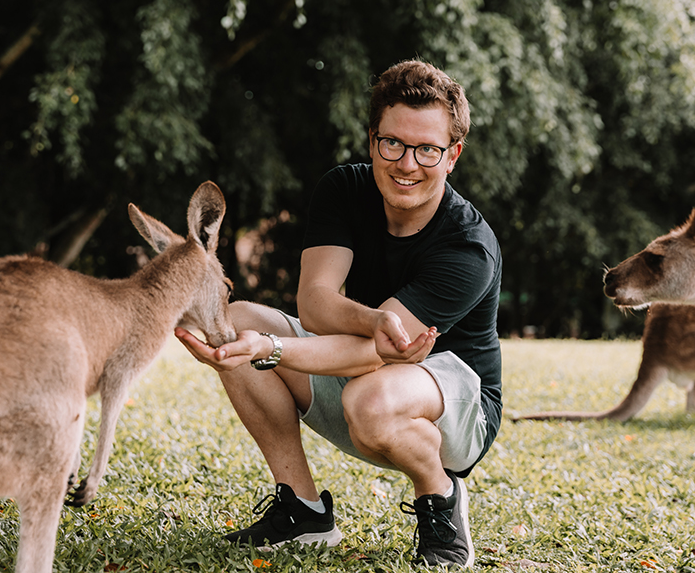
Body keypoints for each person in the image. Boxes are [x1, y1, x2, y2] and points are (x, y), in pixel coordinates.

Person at [175, 58, 502, 568]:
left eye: (427, 150)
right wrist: (370, 320)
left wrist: (275, 349)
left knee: (370, 395)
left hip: (456, 406)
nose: (407, 163)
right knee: (238, 320)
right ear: (373, 138)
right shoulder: (344, 189)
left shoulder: (468, 246)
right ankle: (303, 512)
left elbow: (373, 356)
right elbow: (316, 303)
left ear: (453, 155)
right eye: (391, 143)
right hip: (368, 370)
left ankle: (440, 497)